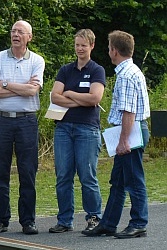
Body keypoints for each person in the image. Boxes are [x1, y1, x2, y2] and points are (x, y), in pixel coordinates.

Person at [83, 30, 150, 238]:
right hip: (131, 130)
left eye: (109, 47)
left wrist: (123, 141)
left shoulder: (126, 76)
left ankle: (139, 222)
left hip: (131, 132)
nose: (108, 51)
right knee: (118, 181)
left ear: (114, 50)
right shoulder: (129, 71)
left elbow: (128, 112)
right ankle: (109, 223)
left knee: (134, 180)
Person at [0, 20, 45, 235]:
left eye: (21, 31)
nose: (16, 34)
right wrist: (20, 87)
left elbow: (33, 92)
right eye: (13, 31)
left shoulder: (37, 61)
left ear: (29, 37)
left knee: (27, 172)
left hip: (26, 121)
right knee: (0, 172)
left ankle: (28, 220)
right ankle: (1, 219)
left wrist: (5, 84)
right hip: (1, 121)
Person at [48, 29, 105, 234]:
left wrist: (70, 93)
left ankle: (94, 218)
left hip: (87, 129)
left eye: (83, 45)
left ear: (91, 45)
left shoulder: (97, 70)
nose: (79, 49)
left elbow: (94, 99)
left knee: (87, 175)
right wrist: (80, 100)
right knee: (63, 175)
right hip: (63, 127)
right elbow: (55, 97)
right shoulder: (66, 70)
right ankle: (65, 220)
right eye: (77, 45)